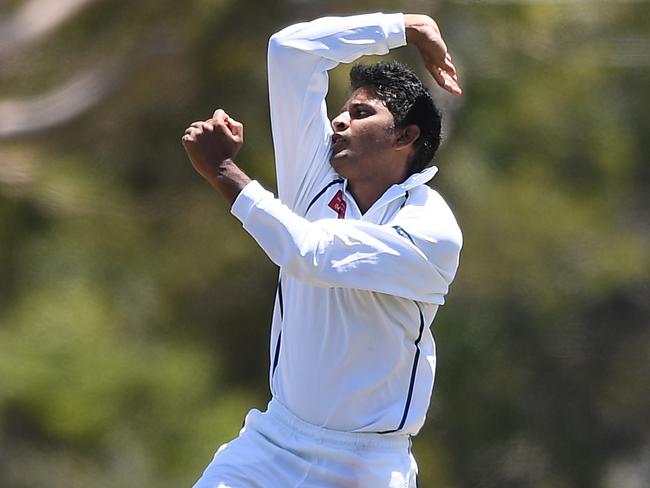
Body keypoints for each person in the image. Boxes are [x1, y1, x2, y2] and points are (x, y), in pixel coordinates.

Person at [182, 11, 463, 488]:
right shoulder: (316, 179)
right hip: (273, 443)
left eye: (361, 113)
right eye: (343, 108)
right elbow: (290, 51)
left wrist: (225, 173)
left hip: (366, 464)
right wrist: (403, 28)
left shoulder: (430, 229)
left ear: (405, 137)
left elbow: (308, 254)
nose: (338, 120)